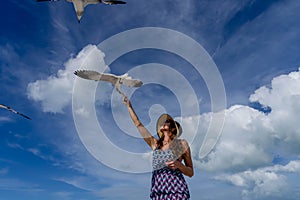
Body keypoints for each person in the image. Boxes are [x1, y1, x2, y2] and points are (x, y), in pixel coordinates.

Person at [123, 96, 194, 200]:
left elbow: (191, 172)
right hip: (158, 192)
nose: (163, 123)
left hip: (177, 191)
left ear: (172, 128)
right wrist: (129, 107)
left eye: (166, 122)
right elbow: (138, 124)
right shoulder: (155, 144)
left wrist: (180, 165)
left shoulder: (182, 144)